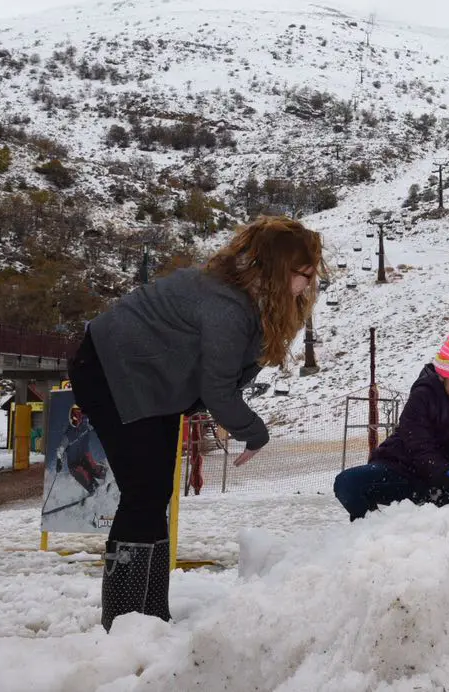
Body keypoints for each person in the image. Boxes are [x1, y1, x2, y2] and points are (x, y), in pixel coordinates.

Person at [68, 216, 326, 631]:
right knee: (144, 493)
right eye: (305, 274)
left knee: (153, 493)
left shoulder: (244, 297)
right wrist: (255, 433)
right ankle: (123, 622)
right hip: (113, 372)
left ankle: (149, 616)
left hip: (152, 382)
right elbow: (219, 389)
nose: (310, 284)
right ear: (280, 271)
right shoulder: (227, 306)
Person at [333, 324, 449, 520]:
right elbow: (418, 444)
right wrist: (446, 472)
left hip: (436, 482)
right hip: (398, 470)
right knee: (347, 482)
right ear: (443, 377)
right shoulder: (423, 395)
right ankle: (372, 529)